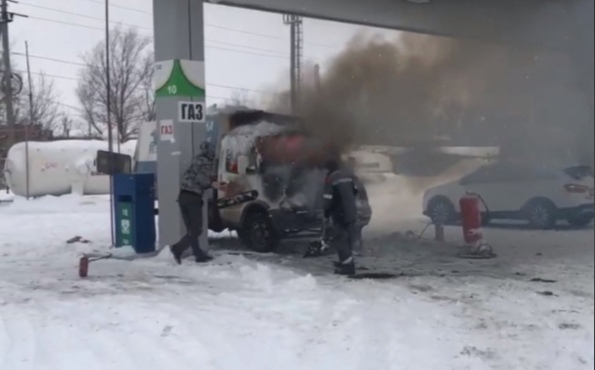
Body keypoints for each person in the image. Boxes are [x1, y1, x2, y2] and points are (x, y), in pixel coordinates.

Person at [170, 141, 219, 264]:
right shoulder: (205, 162)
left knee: (192, 229)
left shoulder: (197, 160)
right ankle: (177, 248)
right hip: (193, 198)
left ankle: (198, 254)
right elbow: (202, 180)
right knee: (196, 230)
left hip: (183, 196)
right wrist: (213, 184)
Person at [322, 157, 359, 275]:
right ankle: (345, 262)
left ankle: (348, 267)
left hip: (340, 212)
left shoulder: (331, 178)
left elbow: (328, 198)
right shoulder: (348, 175)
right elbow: (355, 191)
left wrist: (326, 212)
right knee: (347, 237)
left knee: (339, 239)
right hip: (352, 210)